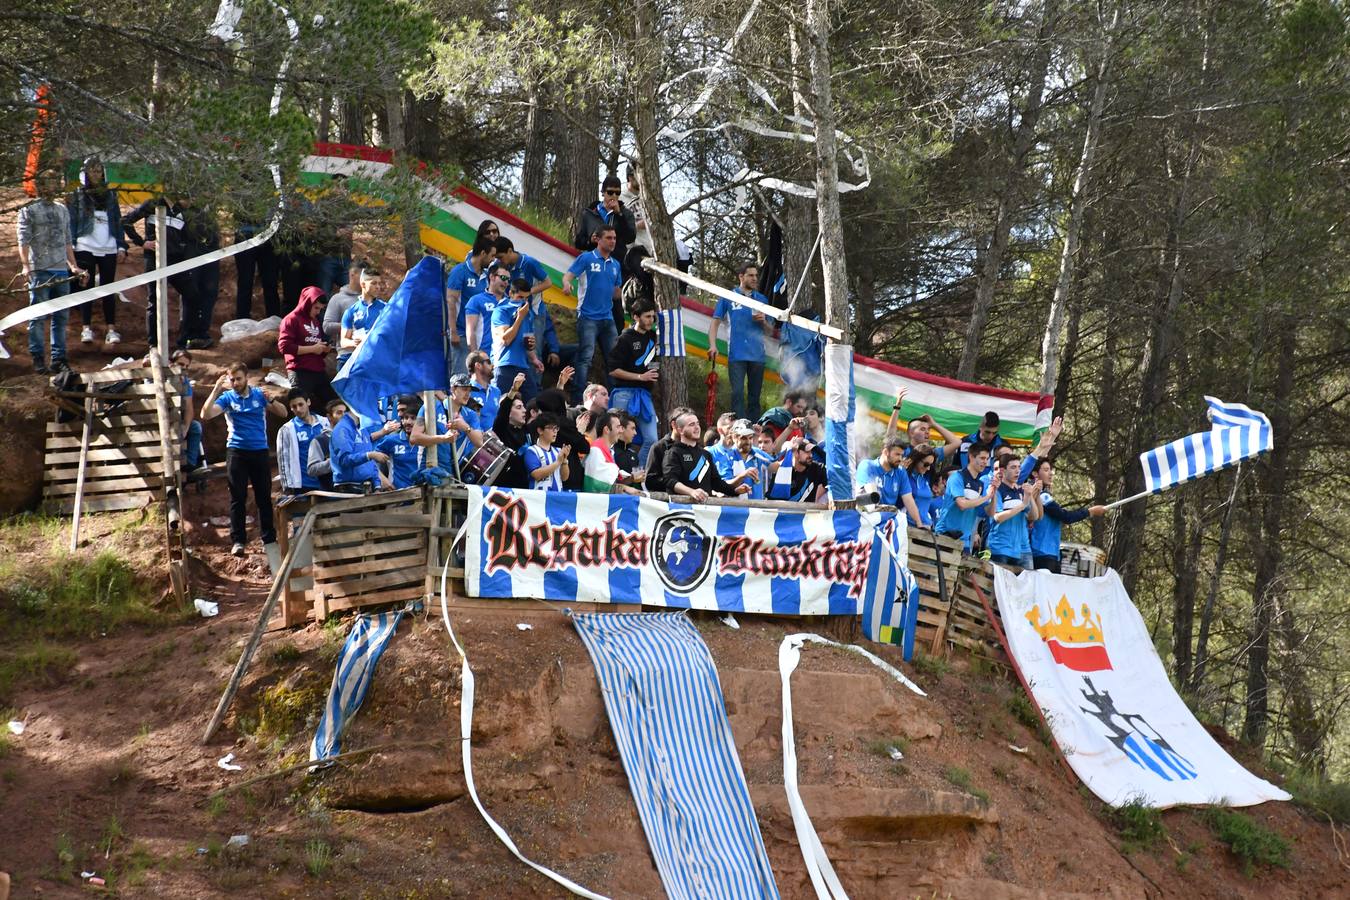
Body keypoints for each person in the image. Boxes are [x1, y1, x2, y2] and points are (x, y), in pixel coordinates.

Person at [200, 362, 288, 556]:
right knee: (237, 497)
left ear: (246, 377)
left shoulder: (259, 394)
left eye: (238, 379)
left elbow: (283, 413)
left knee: (264, 496)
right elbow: (205, 414)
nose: (235, 383)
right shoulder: (227, 398)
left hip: (259, 451)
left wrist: (271, 400)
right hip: (237, 451)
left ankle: (268, 538)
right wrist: (215, 389)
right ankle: (238, 541)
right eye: (232, 380)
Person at [19, 169, 86, 374]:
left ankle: (59, 357)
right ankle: (38, 356)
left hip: (60, 270)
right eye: (48, 182)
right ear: (39, 185)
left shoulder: (62, 210)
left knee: (61, 316)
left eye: (55, 182)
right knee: (38, 316)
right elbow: (23, 240)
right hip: (40, 269)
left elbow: (66, 240)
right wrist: (26, 265)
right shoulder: (28, 209)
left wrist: (73, 265)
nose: (52, 186)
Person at [122, 193, 203, 349]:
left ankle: (185, 340)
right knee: (155, 300)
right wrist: (142, 242)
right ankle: (153, 344)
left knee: (192, 295)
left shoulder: (182, 212)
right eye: (187, 197)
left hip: (176, 260)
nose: (190, 201)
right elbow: (125, 221)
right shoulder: (152, 204)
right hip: (154, 259)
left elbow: (187, 236)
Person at [67, 156, 126, 346]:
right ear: (85, 173)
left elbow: (117, 219)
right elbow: (72, 220)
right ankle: (86, 328)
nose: (96, 174)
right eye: (92, 170)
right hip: (85, 244)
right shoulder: (77, 195)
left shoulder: (111, 195)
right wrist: (72, 244)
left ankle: (111, 329)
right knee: (87, 285)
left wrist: (121, 244)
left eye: (99, 170)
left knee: (108, 288)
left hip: (108, 245)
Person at [563, 224, 623, 404]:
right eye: (609, 238)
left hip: (608, 318)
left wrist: (629, 290)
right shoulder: (587, 258)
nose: (612, 241)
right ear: (598, 239)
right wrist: (567, 284)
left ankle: (614, 401)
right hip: (587, 316)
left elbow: (616, 292)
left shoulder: (616, 264)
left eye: (614, 238)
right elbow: (568, 275)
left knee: (613, 360)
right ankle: (577, 401)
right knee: (585, 359)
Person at [573, 175, 638, 331]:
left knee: (616, 307)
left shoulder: (625, 213)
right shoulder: (590, 213)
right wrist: (590, 240)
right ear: (603, 192)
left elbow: (630, 237)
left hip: (616, 265)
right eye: (610, 192)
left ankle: (614, 343)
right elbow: (579, 242)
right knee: (591, 301)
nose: (614, 197)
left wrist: (619, 215)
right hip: (594, 267)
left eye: (617, 193)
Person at [708, 262, 772, 420]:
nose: (755, 278)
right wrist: (713, 345)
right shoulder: (728, 297)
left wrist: (763, 321)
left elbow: (770, 331)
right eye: (751, 275)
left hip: (757, 355)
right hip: (736, 354)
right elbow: (715, 322)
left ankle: (754, 431)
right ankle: (739, 428)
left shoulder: (762, 299)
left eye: (756, 275)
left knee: (754, 397)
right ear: (741, 276)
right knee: (737, 393)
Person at [1028, 459, 1107, 572]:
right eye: (1046, 470)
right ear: (1035, 474)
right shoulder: (1041, 496)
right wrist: (1090, 511)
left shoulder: (1045, 494)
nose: (1050, 473)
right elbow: (1066, 517)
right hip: (1042, 553)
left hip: (1051, 553)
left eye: (1051, 470)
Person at [608, 298, 660, 467]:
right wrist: (640, 377)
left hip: (644, 395)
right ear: (635, 317)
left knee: (652, 439)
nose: (651, 320)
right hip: (624, 393)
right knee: (616, 437)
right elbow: (613, 370)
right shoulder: (624, 338)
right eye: (647, 317)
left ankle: (638, 473)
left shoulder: (653, 336)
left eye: (653, 316)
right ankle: (615, 473)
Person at [662, 410, 752, 501]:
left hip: (705, 510)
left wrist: (735, 490)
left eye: (697, 423)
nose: (697, 427)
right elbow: (670, 481)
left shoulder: (706, 454)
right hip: (682, 509)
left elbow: (716, 483)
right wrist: (692, 492)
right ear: (680, 430)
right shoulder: (673, 453)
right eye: (691, 424)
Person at [446, 237, 497, 379]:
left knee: (478, 377)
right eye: (491, 256)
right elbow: (450, 302)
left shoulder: (486, 276)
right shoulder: (460, 272)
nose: (493, 260)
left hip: (479, 336)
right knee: (460, 376)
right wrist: (453, 331)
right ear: (482, 253)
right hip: (461, 334)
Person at [277, 286, 335, 408]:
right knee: (301, 407)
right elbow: (284, 346)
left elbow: (316, 347)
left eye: (321, 309)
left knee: (334, 404)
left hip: (318, 370)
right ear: (307, 302)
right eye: (316, 308)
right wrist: (312, 349)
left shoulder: (315, 321)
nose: (318, 312)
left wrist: (324, 350)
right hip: (299, 371)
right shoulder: (291, 319)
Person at [934, 442, 997, 552]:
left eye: (987, 459)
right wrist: (986, 497)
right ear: (971, 457)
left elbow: (990, 513)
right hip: (946, 535)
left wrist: (994, 493)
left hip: (965, 540)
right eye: (982, 458)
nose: (985, 462)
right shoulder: (957, 477)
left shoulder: (980, 484)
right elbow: (962, 504)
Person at [490, 277, 542, 402]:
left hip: (523, 365)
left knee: (532, 403)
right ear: (511, 293)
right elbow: (506, 339)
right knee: (502, 404)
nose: (523, 301)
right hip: (504, 365)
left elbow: (527, 340)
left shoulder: (527, 313)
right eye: (520, 297)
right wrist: (519, 318)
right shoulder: (501, 310)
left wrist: (534, 357)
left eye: (526, 298)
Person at [986, 456, 1043, 568]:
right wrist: (1022, 505)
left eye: (1019, 467)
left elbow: (1034, 516)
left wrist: (1030, 496)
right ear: (1003, 470)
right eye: (1013, 467)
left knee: (1026, 585)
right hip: (1001, 548)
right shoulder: (997, 489)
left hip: (1023, 549)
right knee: (1000, 585)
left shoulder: (1020, 490)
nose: (1017, 471)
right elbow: (997, 517)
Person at [856, 435, 924, 527]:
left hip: (887, 521)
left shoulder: (901, 472)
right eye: (897, 454)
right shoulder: (867, 466)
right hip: (865, 519)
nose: (900, 459)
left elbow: (908, 499)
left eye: (902, 455)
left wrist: (919, 523)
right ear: (885, 452)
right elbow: (871, 494)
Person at [330, 405, 399, 493]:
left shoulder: (362, 429)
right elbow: (344, 460)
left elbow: (370, 462)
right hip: (348, 490)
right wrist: (370, 455)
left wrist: (377, 486)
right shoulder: (342, 429)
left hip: (367, 488)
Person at [531, 388, 590, 490]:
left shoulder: (537, 424)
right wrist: (579, 432)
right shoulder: (563, 424)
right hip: (568, 480)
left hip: (546, 478)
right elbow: (584, 447)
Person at [276, 389, 328, 494]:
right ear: (290, 408)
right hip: (303, 484)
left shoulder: (325, 423)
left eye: (301, 404)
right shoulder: (287, 430)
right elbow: (283, 461)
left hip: (327, 481)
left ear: (308, 402)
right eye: (294, 406)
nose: (298, 409)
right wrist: (287, 487)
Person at [232, 212, 282, 321]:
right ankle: (242, 319)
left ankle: (275, 320)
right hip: (245, 235)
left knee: (271, 282)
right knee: (245, 281)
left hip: (270, 236)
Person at [337, 265, 386, 370]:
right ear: (363, 284)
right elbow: (344, 341)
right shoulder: (351, 311)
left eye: (379, 283)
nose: (378, 287)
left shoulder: (386, 309)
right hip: (357, 363)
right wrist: (354, 342)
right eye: (373, 283)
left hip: (378, 362)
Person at [489, 375, 532, 488]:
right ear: (508, 412)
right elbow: (502, 413)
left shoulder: (527, 430)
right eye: (518, 407)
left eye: (523, 407)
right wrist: (513, 390)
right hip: (506, 488)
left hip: (527, 488)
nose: (524, 411)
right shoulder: (501, 429)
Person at [168, 349, 207, 476]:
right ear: (171, 363)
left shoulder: (185, 382)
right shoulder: (163, 377)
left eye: (186, 366)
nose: (183, 368)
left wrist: (186, 426)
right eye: (180, 364)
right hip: (161, 422)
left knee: (195, 427)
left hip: (177, 420)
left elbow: (189, 407)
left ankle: (190, 466)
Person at [583, 410, 640, 494]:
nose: (621, 431)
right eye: (617, 427)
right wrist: (625, 488)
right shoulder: (596, 451)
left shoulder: (606, 451)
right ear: (606, 429)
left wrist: (630, 479)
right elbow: (595, 486)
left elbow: (610, 483)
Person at [714, 419, 773, 500]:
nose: (748, 441)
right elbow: (725, 485)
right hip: (737, 509)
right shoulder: (726, 457)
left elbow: (775, 466)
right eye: (744, 438)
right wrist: (742, 475)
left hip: (758, 508)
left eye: (750, 438)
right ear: (734, 437)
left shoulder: (757, 453)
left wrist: (791, 451)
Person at [644, 406, 693, 495]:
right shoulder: (658, 447)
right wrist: (676, 485)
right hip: (667, 503)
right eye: (687, 424)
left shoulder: (695, 448)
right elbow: (650, 480)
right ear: (674, 424)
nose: (692, 428)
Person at [767, 436, 829, 502]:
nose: (811, 455)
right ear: (796, 453)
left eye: (811, 452)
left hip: (807, 511)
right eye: (807, 452)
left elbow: (833, 484)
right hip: (781, 510)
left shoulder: (817, 468)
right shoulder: (783, 469)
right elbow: (768, 466)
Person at [465, 262, 510, 352]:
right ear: (492, 277)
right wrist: (475, 357)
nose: (506, 282)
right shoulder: (476, 300)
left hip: (505, 359)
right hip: (484, 357)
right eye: (504, 278)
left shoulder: (511, 303)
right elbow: (470, 331)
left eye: (508, 280)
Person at [307, 399, 349, 490]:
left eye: (346, 412)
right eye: (339, 413)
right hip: (332, 495)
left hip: (359, 492)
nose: (344, 416)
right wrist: (334, 462)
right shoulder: (319, 440)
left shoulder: (355, 437)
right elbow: (311, 469)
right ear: (329, 417)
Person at [523, 412, 570, 491]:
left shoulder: (558, 451)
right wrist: (558, 462)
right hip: (539, 499)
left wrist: (564, 461)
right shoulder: (532, 451)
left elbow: (564, 478)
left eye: (556, 428)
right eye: (551, 428)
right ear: (540, 430)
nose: (555, 431)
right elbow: (537, 475)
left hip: (557, 498)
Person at [323, 259, 365, 344]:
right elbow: (327, 326)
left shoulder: (372, 299)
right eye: (364, 275)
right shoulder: (338, 299)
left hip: (369, 353)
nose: (367, 279)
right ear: (352, 274)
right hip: (347, 353)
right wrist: (349, 325)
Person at [906, 446, 942, 527]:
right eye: (926, 464)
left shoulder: (926, 477)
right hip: (909, 526)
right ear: (916, 459)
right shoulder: (905, 477)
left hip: (926, 527)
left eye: (930, 465)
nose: (928, 468)